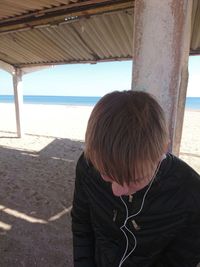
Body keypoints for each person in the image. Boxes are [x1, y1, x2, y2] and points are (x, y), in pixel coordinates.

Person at [71, 90, 200, 267]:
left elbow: (182, 259)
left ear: (162, 150)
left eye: (134, 179)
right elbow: (81, 225)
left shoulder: (192, 193)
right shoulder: (88, 165)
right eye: (106, 175)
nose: (117, 191)